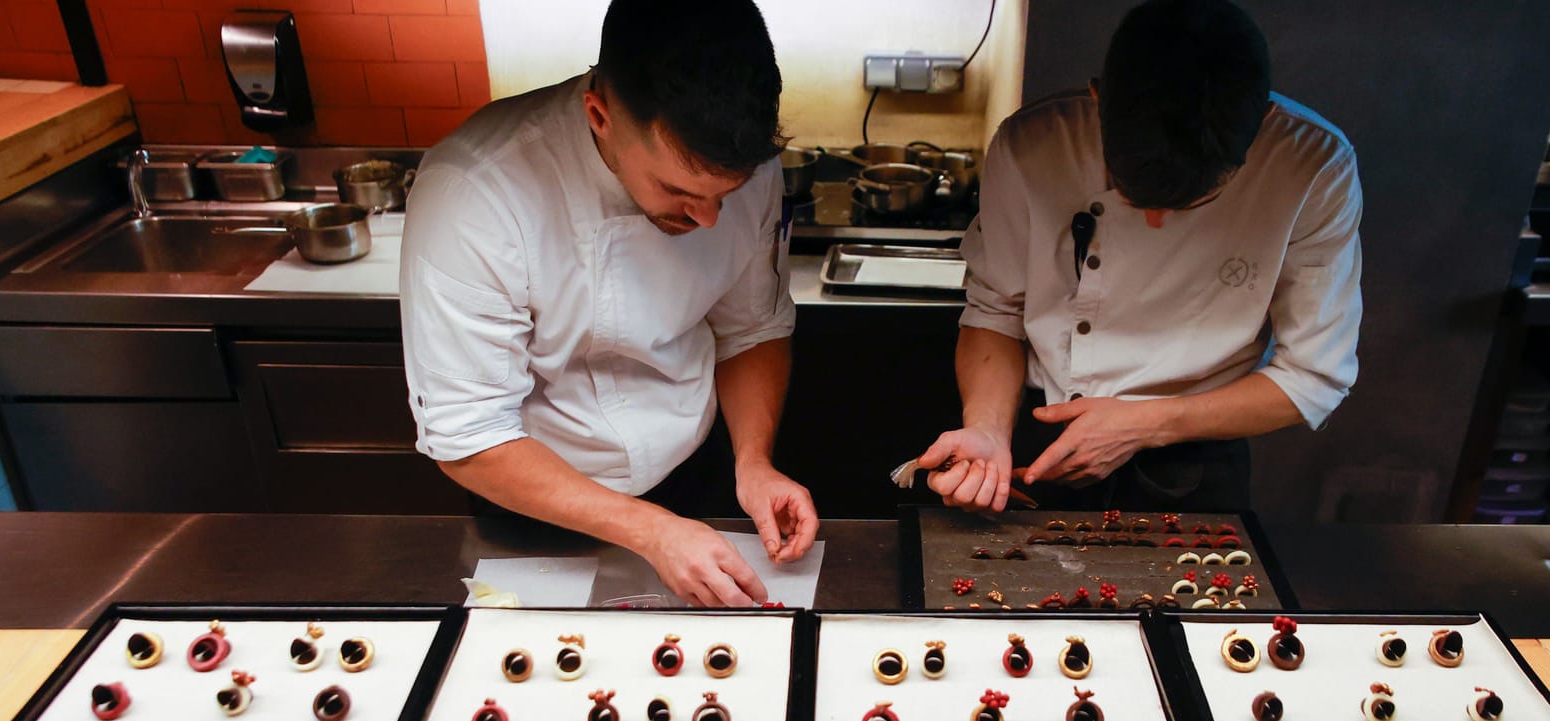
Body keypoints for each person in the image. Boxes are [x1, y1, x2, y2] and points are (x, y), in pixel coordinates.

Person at [401, 0, 818, 607]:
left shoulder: (749, 162)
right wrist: (649, 530)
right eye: (677, 191)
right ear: (600, 115)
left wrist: (753, 461)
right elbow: (469, 433)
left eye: (724, 194)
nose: (707, 218)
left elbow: (751, 327)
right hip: (535, 506)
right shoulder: (474, 192)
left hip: (694, 478)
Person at [919, 0, 1363, 512]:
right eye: (1130, 194)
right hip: (1035, 439)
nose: (1154, 223)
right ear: (1097, 99)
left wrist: (1144, 425)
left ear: (1261, 119)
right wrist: (987, 430)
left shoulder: (1313, 165)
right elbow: (995, 311)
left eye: (1197, 202)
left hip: (1196, 457)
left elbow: (1314, 375)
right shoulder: (1033, 143)